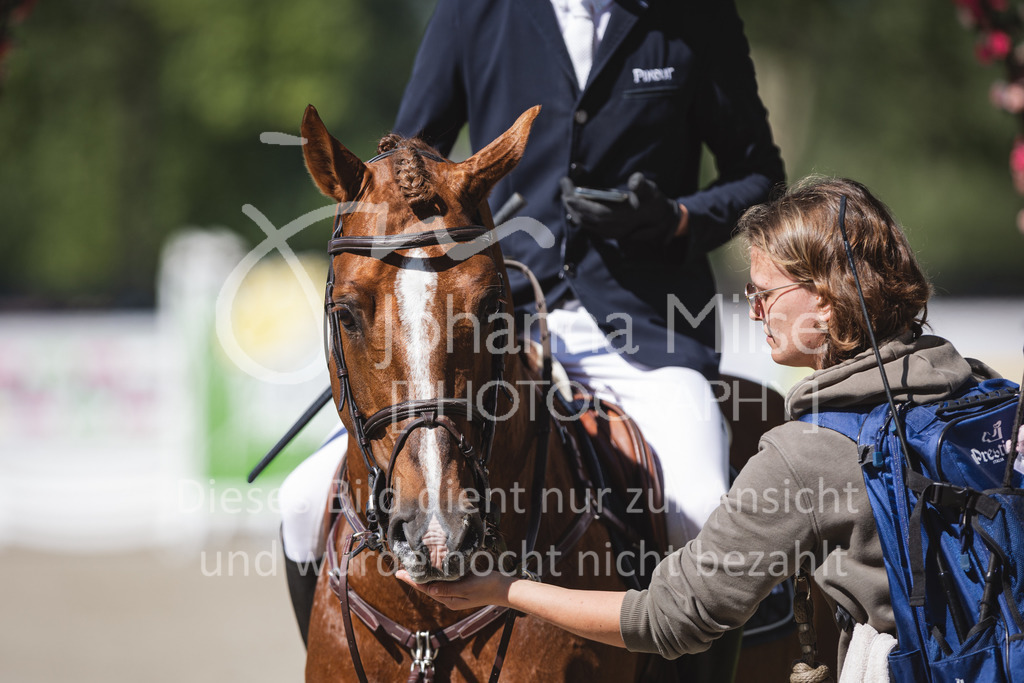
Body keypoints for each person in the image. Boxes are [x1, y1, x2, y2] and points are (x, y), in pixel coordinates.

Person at [278, 0, 784, 645]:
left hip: (643, 328)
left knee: (700, 507)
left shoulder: (695, 16)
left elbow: (760, 176)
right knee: (300, 503)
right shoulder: (473, 13)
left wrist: (675, 219)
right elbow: (404, 168)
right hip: (489, 324)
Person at [395, 176, 1004, 678]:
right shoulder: (987, 393)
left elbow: (668, 617)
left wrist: (503, 589)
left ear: (825, 298)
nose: (754, 311)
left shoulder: (804, 453)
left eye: (764, 293)